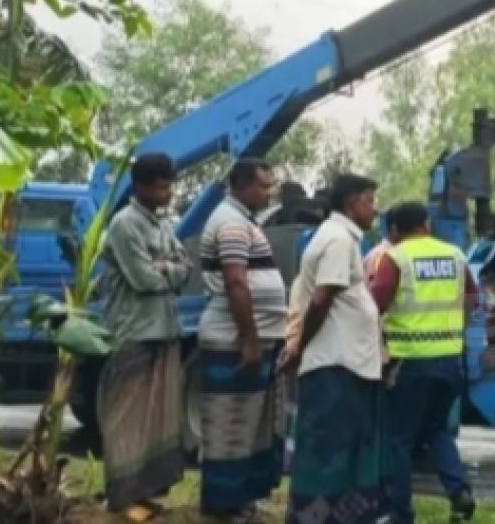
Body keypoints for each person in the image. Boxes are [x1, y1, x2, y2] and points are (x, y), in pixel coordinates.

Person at [282, 174, 389, 524]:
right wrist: (301, 345)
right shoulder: (338, 240)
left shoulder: (343, 238)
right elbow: (321, 298)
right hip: (335, 366)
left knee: (345, 452)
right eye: (370, 200)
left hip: (348, 365)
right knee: (329, 453)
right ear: (351, 203)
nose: (375, 209)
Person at [370, 201, 478, 524]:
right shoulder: (456, 256)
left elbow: (376, 301)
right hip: (450, 360)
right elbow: (472, 299)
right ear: (427, 224)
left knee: (398, 440)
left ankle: (400, 514)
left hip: (409, 363)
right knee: (437, 429)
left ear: (393, 231)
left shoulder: (396, 257)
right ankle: (459, 493)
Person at [97, 153, 190, 521]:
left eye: (170, 186)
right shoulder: (125, 225)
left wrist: (166, 268)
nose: (168, 193)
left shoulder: (163, 224)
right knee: (127, 417)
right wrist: (168, 270)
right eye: (162, 186)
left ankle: (144, 491)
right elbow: (143, 279)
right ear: (141, 187)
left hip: (164, 328)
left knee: (156, 417)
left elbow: (187, 270)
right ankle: (121, 498)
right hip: (134, 330)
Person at [197, 159, 289, 521]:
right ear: (242, 186)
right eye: (263, 187)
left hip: (253, 337)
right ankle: (223, 504)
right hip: (233, 340)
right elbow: (236, 283)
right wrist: (248, 341)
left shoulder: (242, 221)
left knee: (251, 424)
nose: (268, 194)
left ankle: (241, 499)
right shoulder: (231, 223)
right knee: (230, 425)